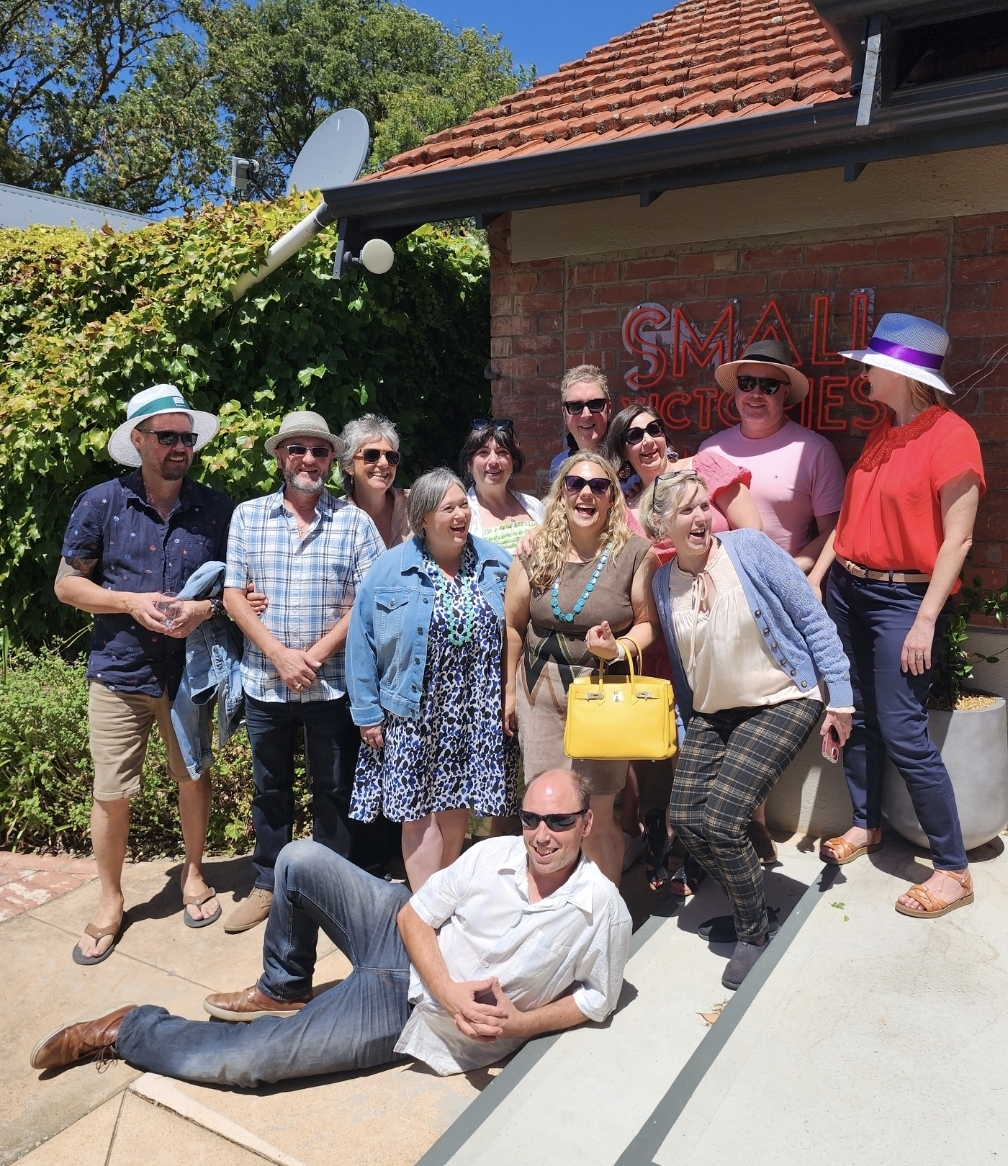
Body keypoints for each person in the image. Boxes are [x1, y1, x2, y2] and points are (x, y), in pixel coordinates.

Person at [31, 769, 633, 1084]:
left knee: (252, 1062)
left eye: (558, 821)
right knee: (298, 859)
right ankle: (284, 986)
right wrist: (451, 987)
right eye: (530, 818)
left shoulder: (601, 909)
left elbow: (597, 997)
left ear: (586, 823)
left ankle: (129, 1028)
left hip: (408, 1010)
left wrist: (520, 1024)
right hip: (404, 942)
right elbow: (413, 914)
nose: (541, 835)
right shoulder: (493, 853)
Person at [54, 385, 247, 962]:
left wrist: (203, 610)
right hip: (120, 671)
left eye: (187, 437)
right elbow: (67, 585)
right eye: (168, 436)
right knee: (112, 791)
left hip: (190, 671)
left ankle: (194, 873)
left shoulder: (217, 509)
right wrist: (129, 602)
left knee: (193, 774)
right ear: (138, 440)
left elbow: (238, 591)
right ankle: (111, 899)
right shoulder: (101, 503)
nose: (181, 446)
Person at [808, 313, 984, 918]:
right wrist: (819, 575)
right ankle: (866, 824)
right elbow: (849, 520)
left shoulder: (952, 436)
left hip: (903, 601)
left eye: (873, 365)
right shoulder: (884, 431)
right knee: (855, 714)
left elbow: (958, 539)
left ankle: (953, 869)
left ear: (903, 374)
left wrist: (926, 620)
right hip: (848, 590)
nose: (864, 372)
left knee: (906, 732)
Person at [649, 470, 854, 988]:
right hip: (715, 712)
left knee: (723, 821)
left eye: (704, 506)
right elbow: (685, 667)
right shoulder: (662, 582)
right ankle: (752, 904)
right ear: (663, 524)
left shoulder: (750, 550)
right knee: (686, 818)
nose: (700, 518)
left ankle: (753, 933)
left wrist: (840, 700)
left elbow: (813, 620)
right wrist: (687, 725)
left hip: (782, 698)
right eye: (686, 511)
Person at [222, 411, 384, 932]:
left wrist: (310, 657)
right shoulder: (248, 516)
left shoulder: (354, 523)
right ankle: (268, 883)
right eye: (297, 449)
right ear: (279, 457)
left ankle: (329, 889)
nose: (308, 459)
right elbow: (232, 594)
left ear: (332, 460)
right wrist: (279, 655)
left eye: (319, 450)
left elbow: (369, 601)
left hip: (330, 683)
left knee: (334, 789)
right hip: (265, 681)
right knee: (270, 788)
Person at [602, 404, 763, 890]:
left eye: (654, 428)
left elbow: (753, 538)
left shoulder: (705, 467)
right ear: (624, 451)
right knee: (688, 749)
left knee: (736, 735)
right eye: (633, 436)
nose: (647, 441)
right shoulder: (627, 508)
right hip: (669, 643)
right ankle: (695, 850)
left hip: (725, 628)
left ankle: (738, 840)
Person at [347, 469, 519, 890]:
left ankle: (446, 897)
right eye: (448, 508)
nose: (461, 515)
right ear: (423, 517)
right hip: (414, 711)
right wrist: (367, 713)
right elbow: (361, 642)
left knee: (457, 804)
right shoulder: (391, 570)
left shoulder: (497, 563)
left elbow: (521, 625)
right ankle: (425, 905)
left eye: (463, 506)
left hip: (475, 707)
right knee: (417, 816)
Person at [504, 450, 658, 886]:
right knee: (545, 810)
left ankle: (604, 912)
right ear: (562, 494)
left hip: (601, 696)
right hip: (539, 692)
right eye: (575, 484)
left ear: (612, 496)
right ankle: (550, 901)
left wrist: (617, 647)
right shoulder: (535, 550)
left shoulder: (635, 554)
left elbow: (648, 624)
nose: (586, 493)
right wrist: (509, 693)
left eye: (598, 485)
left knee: (598, 813)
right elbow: (513, 625)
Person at [705, 340, 846, 573]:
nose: (756, 393)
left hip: (783, 585)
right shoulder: (709, 450)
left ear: (785, 391)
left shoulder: (814, 451)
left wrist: (789, 571)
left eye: (769, 386)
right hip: (717, 584)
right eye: (747, 383)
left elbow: (834, 530)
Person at [461, 418, 545, 553]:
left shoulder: (534, 506)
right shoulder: (462, 515)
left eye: (502, 452)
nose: (493, 461)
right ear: (469, 464)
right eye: (483, 453)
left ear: (513, 462)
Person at [337, 413, 411, 549]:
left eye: (391, 456)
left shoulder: (416, 506)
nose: (384, 463)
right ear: (348, 465)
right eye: (371, 455)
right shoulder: (335, 517)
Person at [549, 365, 612, 481]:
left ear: (608, 410)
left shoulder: (632, 461)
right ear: (564, 414)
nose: (586, 414)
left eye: (595, 404)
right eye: (575, 406)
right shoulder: (558, 466)